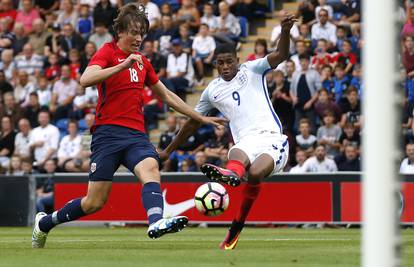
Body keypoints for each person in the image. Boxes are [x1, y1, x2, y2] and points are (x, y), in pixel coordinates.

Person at [32, 3, 226, 248]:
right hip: (107, 134)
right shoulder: (108, 51)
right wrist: (122, 65)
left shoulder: (143, 62)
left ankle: (155, 221)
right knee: (94, 202)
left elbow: (167, 96)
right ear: (120, 32)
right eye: (134, 32)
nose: (138, 38)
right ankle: (46, 222)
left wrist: (201, 117)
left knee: (150, 167)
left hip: (135, 134)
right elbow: (85, 79)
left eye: (141, 33)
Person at [161, 14, 296, 250]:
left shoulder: (253, 69)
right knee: (237, 151)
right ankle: (231, 174)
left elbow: (281, 55)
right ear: (215, 64)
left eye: (228, 62)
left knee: (254, 174)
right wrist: (167, 151)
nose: (225, 67)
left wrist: (284, 31)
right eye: (220, 63)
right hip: (246, 142)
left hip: (273, 139)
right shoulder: (212, 91)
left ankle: (236, 225)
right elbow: (191, 123)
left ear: (237, 59)